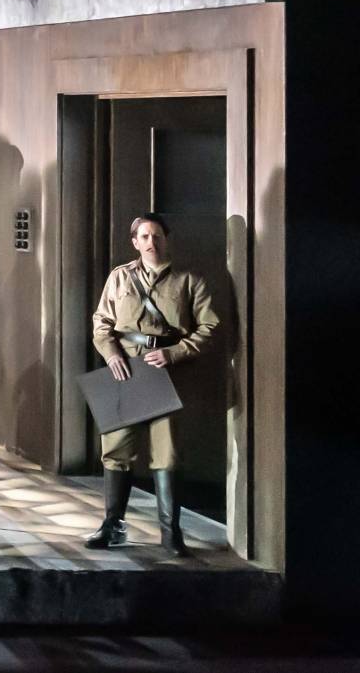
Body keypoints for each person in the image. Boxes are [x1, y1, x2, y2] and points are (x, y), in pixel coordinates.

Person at [85, 212, 222, 555]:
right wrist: (111, 355)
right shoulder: (120, 277)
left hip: (167, 375)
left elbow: (210, 327)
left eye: (157, 235)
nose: (151, 242)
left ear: (166, 239)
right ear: (135, 242)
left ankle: (170, 532)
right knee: (115, 450)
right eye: (144, 236)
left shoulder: (189, 281)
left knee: (166, 453)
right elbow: (102, 322)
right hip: (125, 370)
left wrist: (175, 352)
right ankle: (112, 525)